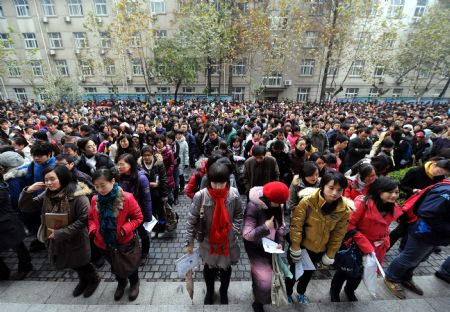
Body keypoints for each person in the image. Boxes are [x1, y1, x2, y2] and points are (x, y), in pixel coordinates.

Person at [19, 165, 99, 297]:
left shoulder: (78, 195)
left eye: (52, 179)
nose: (48, 183)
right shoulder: (47, 194)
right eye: (46, 179)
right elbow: (26, 207)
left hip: (75, 239)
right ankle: (83, 280)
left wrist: (61, 233)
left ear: (62, 178)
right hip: (55, 239)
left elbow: (84, 220)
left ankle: (93, 279)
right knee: (72, 264)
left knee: (82, 263)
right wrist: (28, 191)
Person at [330, 176, 402, 302]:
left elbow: (384, 226)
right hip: (356, 244)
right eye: (390, 192)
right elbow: (349, 225)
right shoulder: (363, 204)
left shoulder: (392, 206)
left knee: (361, 272)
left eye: (396, 192)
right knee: (345, 270)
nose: (394, 195)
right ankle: (334, 291)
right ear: (379, 191)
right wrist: (365, 243)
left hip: (376, 247)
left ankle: (349, 290)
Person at [287, 171, 351, 304]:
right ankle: (287, 292)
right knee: (293, 272)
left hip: (319, 249)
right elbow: (296, 226)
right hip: (302, 246)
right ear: (323, 186)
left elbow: (338, 234)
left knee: (308, 273)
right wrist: (295, 247)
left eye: (339, 190)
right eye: (331, 188)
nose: (335, 193)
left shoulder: (343, 208)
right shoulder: (308, 201)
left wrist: (330, 254)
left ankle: (301, 293)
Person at [185, 162, 243, 305]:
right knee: (209, 268)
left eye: (221, 183)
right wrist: (189, 242)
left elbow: (238, 214)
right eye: (214, 183)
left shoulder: (234, 194)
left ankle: (224, 291)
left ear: (227, 181)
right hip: (207, 240)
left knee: (225, 268)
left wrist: (234, 230)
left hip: (227, 240)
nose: (217, 187)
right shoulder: (201, 196)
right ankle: (210, 291)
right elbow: (191, 220)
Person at [384, 179, 450, 300]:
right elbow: (427, 213)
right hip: (424, 232)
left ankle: (406, 277)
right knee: (408, 258)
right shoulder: (446, 191)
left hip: (437, 236)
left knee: (419, 258)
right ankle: (391, 277)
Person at [88, 169, 143, 301]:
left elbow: (138, 217)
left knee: (130, 264)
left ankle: (134, 282)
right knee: (114, 265)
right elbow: (90, 218)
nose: (100, 189)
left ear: (112, 181)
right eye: (96, 186)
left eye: (103, 185)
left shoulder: (127, 198)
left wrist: (125, 229)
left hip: (124, 241)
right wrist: (93, 229)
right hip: (103, 243)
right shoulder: (95, 199)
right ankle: (121, 282)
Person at [243, 181, 290, 312]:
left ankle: (261, 295)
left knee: (267, 276)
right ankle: (258, 302)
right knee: (262, 277)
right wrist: (265, 227)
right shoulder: (253, 206)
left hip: (271, 246)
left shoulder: (278, 203)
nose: (280, 205)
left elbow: (281, 226)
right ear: (269, 199)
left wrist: (280, 242)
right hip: (256, 248)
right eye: (278, 202)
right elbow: (247, 234)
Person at [117, 153, 152, 260]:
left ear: (130, 165)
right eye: (118, 164)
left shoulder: (141, 178)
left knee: (143, 234)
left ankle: (145, 253)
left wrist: (147, 217)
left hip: (138, 212)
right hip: (124, 212)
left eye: (122, 164)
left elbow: (147, 199)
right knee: (130, 233)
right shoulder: (119, 177)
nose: (119, 167)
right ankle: (133, 251)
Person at [0, 174, 32, 281]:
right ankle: (4, 272)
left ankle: (25, 267)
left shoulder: (1, 190)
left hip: (8, 224)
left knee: (18, 247)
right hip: (6, 224)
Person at [138, 145, 169, 238]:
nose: (147, 157)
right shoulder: (140, 165)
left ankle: (162, 228)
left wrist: (162, 190)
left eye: (149, 155)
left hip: (158, 193)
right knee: (150, 212)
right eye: (145, 155)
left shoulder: (159, 164)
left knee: (161, 212)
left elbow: (163, 179)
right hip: (146, 194)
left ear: (153, 155)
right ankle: (155, 229)